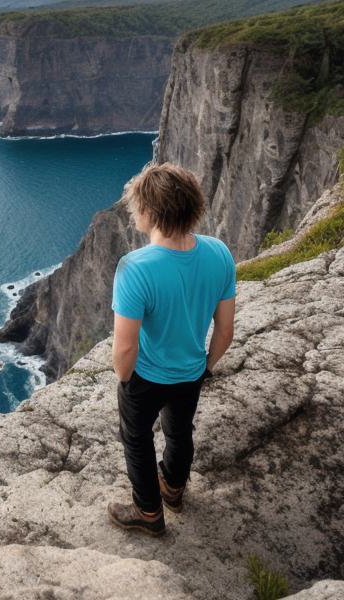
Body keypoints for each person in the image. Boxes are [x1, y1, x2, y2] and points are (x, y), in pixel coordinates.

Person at [107, 162, 236, 537]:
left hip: (146, 376)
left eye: (137, 206)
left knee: (136, 438)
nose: (133, 212)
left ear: (151, 212)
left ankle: (148, 513)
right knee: (180, 432)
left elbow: (125, 346)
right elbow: (225, 330)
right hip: (192, 372)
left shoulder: (135, 268)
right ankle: (173, 491)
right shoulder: (219, 253)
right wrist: (205, 367)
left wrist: (124, 379)